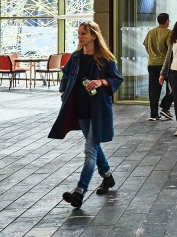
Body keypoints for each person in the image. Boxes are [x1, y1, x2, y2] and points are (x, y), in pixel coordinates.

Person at [49, 21, 123, 209]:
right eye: (79, 33)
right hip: (80, 109)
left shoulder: (106, 58)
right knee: (94, 145)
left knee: (90, 150)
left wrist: (101, 82)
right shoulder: (75, 57)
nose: (80, 36)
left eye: (83, 33)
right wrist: (63, 90)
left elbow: (116, 79)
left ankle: (79, 192)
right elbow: (65, 76)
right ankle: (107, 177)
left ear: (93, 36)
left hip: (98, 111)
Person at [143, 13, 173, 122]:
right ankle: (165, 107)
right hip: (165, 65)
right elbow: (171, 49)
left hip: (152, 64)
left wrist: (152, 55)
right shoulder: (169, 33)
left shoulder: (151, 32)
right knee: (172, 87)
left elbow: (146, 46)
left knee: (153, 90)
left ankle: (153, 114)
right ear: (167, 21)